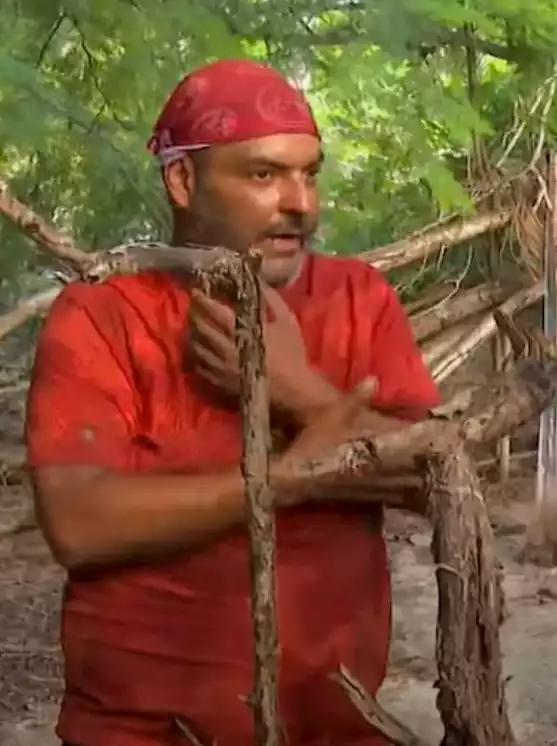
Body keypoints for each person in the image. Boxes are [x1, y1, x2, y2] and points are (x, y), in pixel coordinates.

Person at [24, 58, 441, 746]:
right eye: (262, 174)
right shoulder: (102, 314)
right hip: (144, 731)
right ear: (184, 181)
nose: (300, 203)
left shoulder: (358, 299)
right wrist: (282, 480)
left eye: (310, 173)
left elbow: (444, 484)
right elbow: (78, 524)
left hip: (341, 728)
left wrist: (296, 390)